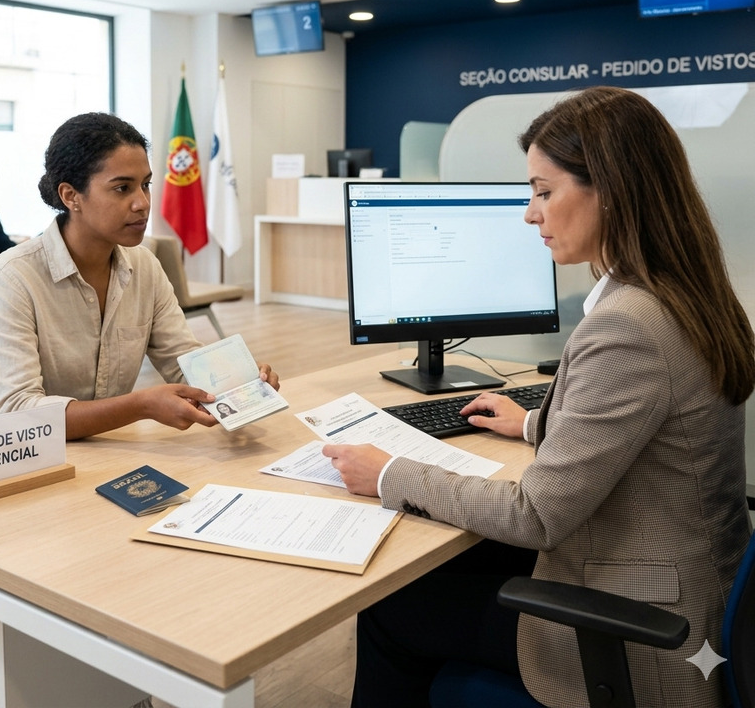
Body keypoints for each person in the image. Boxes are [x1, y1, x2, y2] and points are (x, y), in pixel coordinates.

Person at [323, 86, 754, 708]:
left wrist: (390, 472)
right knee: (452, 566)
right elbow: (655, 435)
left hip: (644, 623)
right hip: (691, 580)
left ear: (611, 191)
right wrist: (532, 425)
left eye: (543, 192)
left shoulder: (629, 324)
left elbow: (535, 516)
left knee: (391, 608)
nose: (530, 214)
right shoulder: (686, 292)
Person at [0, 112, 279, 439]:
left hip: (103, 445)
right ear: (70, 196)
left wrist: (241, 380)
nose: (142, 203)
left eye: (146, 185)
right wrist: (140, 406)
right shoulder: (12, 278)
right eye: (122, 188)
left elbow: (184, 362)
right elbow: (18, 413)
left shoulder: (144, 267)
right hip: (16, 453)